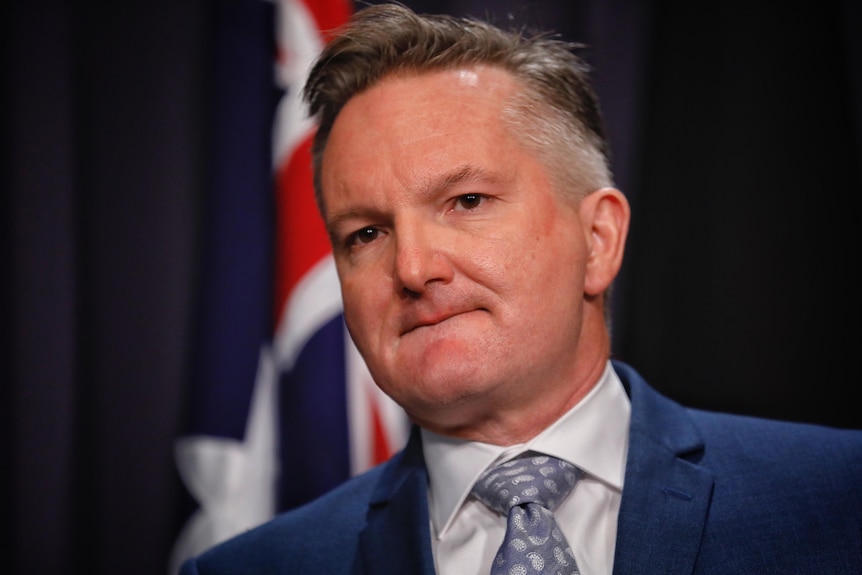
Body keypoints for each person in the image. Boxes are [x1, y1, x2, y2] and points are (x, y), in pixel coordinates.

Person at [180, 4, 862, 574]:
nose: (413, 269)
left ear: (598, 240)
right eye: (366, 234)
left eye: (467, 200)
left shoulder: (841, 498)